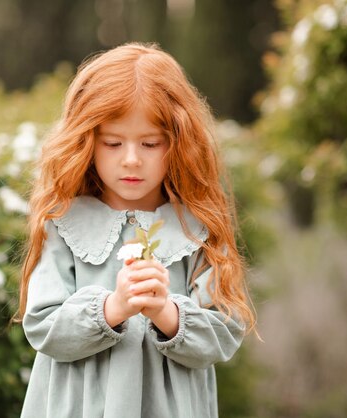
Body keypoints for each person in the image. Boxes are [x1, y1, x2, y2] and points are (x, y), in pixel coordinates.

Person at [17, 42, 255, 418]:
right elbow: (44, 327)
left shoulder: (196, 228)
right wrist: (113, 308)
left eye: (150, 143)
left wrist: (166, 313)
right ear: (87, 142)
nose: (131, 159)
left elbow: (225, 332)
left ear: (178, 143)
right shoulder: (63, 223)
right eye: (112, 143)